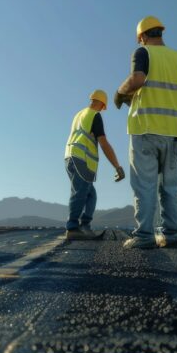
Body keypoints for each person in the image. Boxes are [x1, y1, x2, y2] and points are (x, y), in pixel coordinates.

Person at [114, 16, 177, 249]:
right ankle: (170, 235)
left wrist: (120, 93)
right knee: (169, 186)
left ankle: (144, 236)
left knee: (144, 185)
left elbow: (137, 79)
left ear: (142, 36)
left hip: (145, 129)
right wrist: (168, 103)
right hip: (172, 133)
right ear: (161, 32)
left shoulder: (143, 53)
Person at [64, 90, 125, 240]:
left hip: (70, 156)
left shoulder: (79, 114)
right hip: (82, 158)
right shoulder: (94, 115)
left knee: (90, 194)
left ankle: (85, 226)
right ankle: (72, 228)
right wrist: (117, 166)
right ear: (102, 104)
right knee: (80, 192)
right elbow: (103, 143)